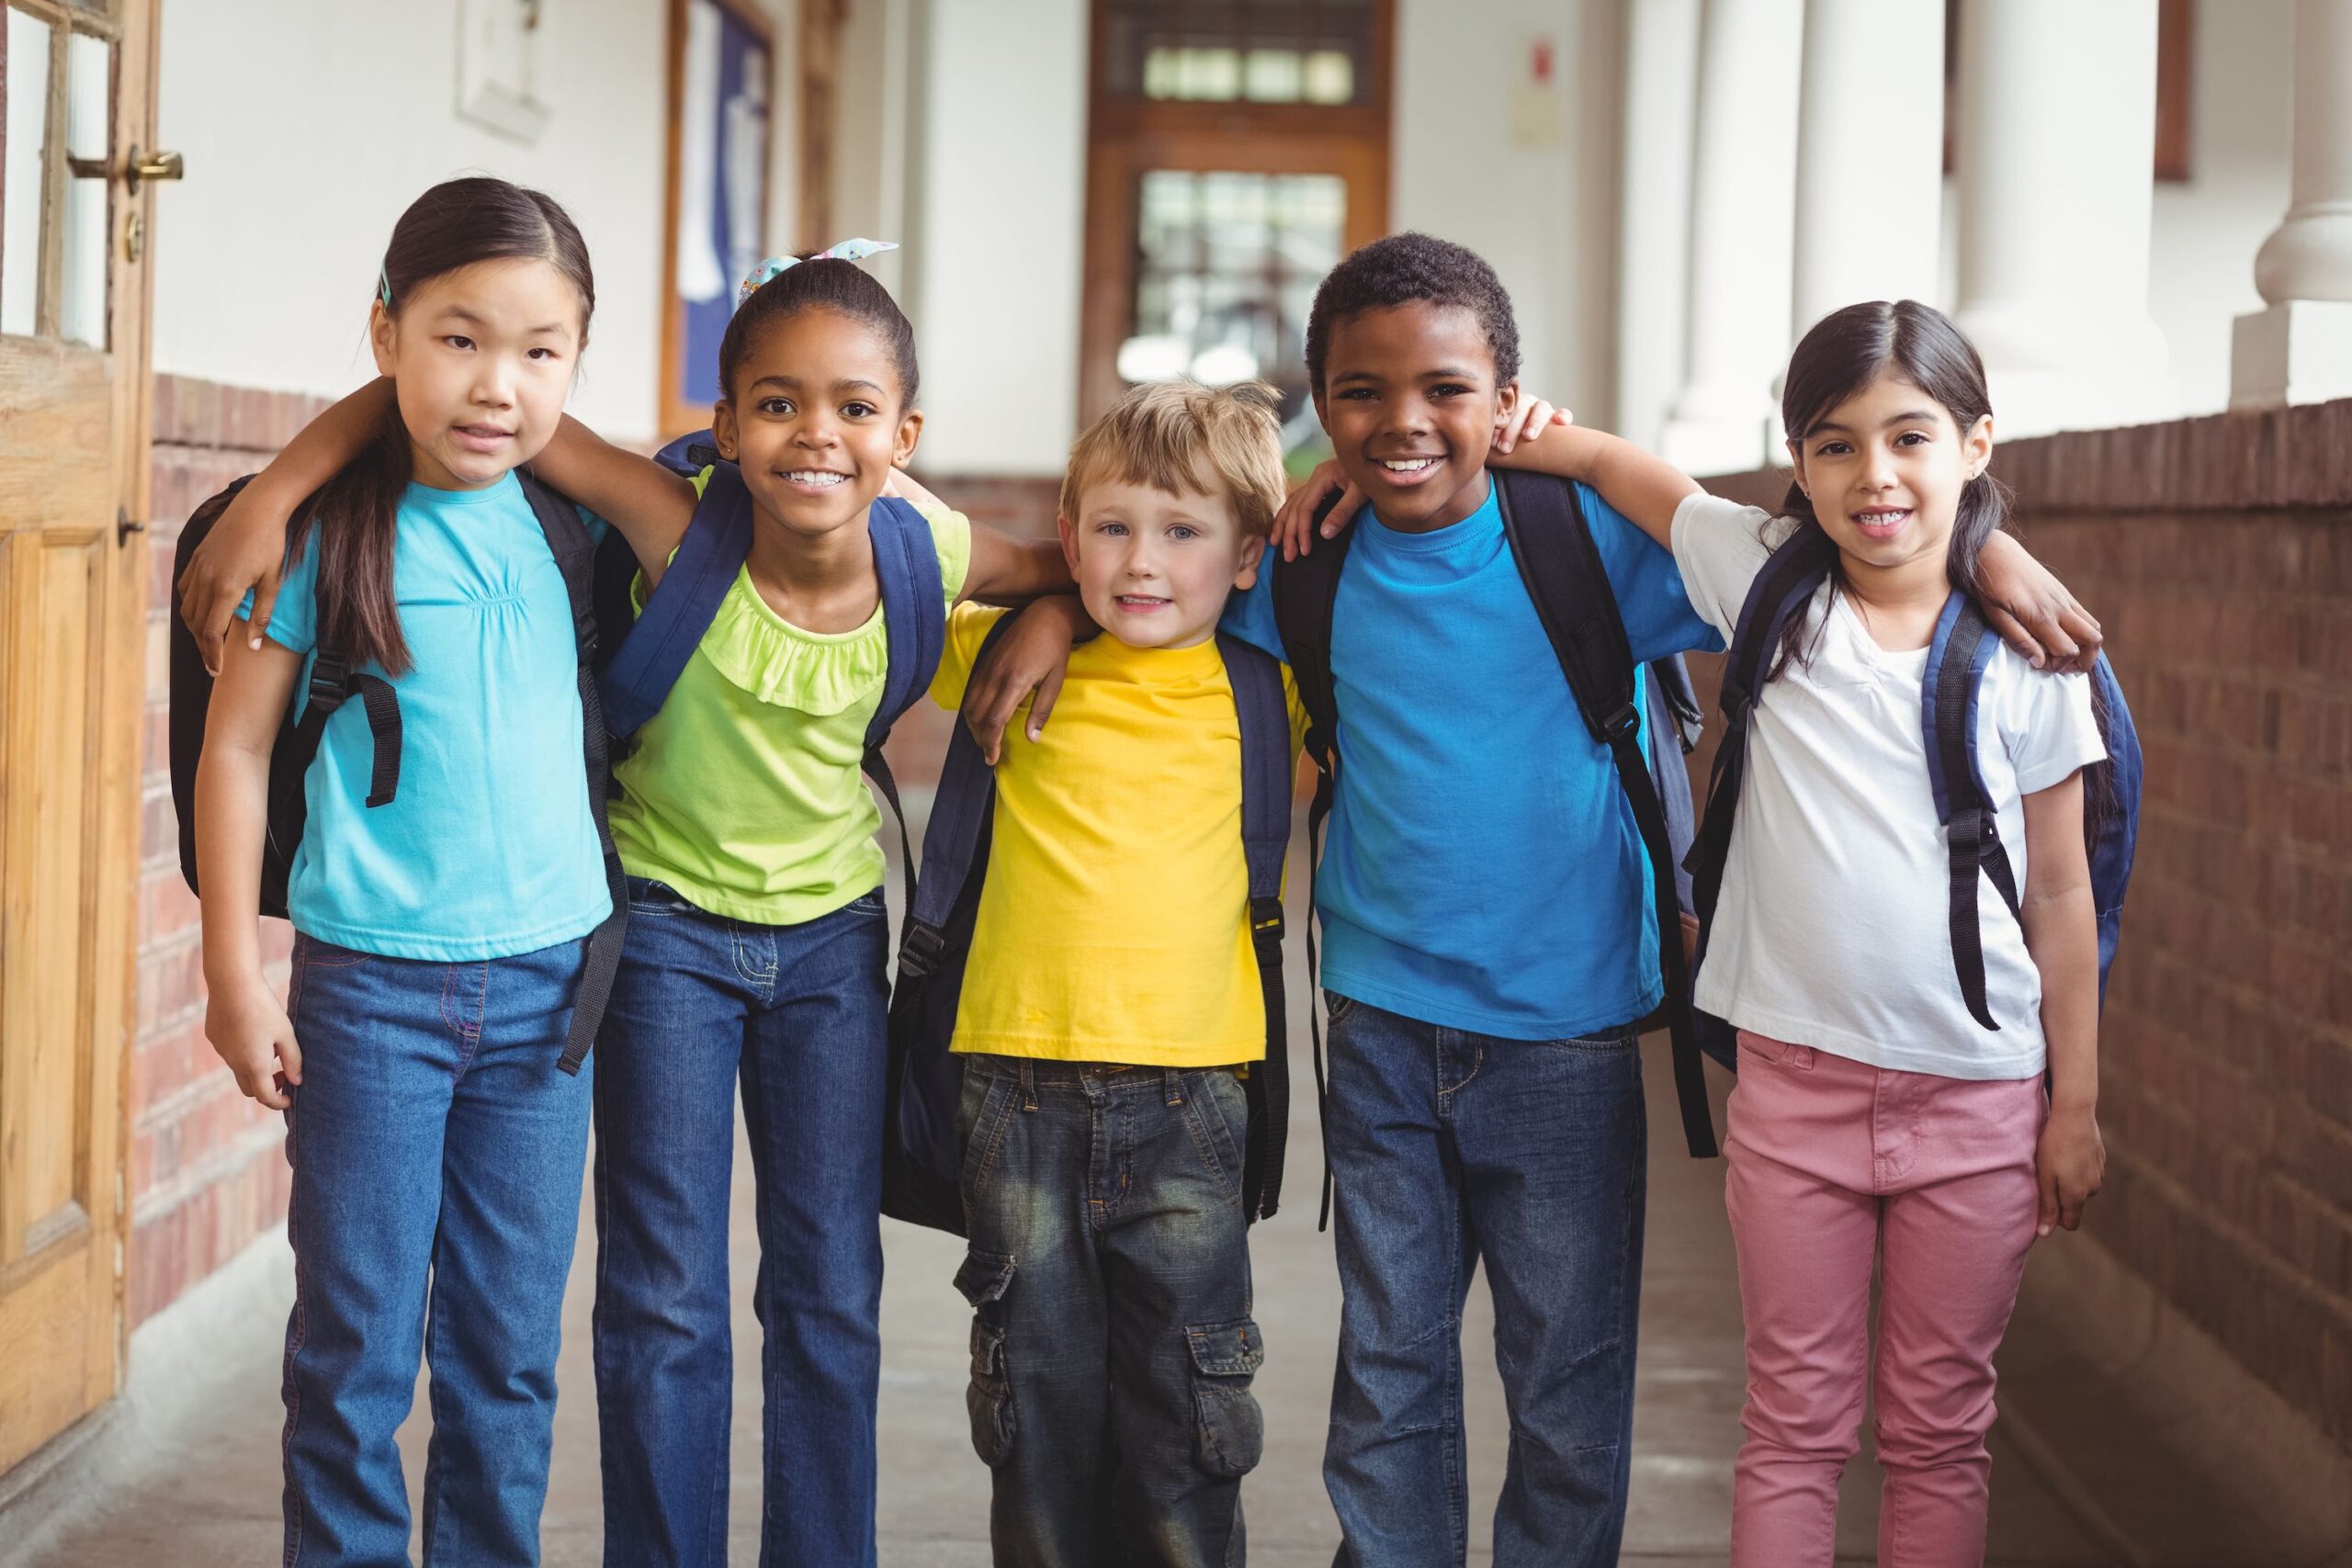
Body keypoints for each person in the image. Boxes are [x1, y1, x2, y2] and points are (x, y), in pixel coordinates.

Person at [977, 232, 2103, 1568]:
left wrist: (1988, 555)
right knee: (1388, 1375)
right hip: (1383, 1028)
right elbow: (1155, 580)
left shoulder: (1586, 547)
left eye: (1446, 389)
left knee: (1566, 1386)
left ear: (1508, 398)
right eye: (1360, 393)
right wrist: (1047, 609)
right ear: (1317, 408)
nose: (1404, 422)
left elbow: (1837, 555)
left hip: (1568, 1038)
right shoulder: (1301, 565)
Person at [181, 246, 1073, 1568]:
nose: (815, 436)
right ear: (722, 427)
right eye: (775, 404)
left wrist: (1047, 615)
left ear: (906, 435)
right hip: (658, 938)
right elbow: (462, 396)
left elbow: (1075, 563)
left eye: (854, 409)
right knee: (660, 1295)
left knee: (829, 1288)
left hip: (831, 947)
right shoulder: (669, 517)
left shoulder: (922, 546)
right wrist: (278, 492)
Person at [1498, 299, 2105, 1567]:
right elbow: (1627, 473)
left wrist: (2075, 1106)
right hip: (1794, 1086)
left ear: (1978, 444)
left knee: (1939, 1428)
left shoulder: (2029, 656)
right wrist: (1518, 427)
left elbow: (2060, 892)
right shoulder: (1767, 579)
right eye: (1834, 445)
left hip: (1981, 1100)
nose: (1874, 475)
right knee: (1794, 1420)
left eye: (1911, 438)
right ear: (1799, 463)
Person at [194, 175, 615, 1566]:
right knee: (356, 1354)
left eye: (539, 350)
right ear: (385, 334)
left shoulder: (579, 532)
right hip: (371, 1000)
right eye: (456, 338)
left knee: (507, 1361)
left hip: (550, 1003)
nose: (497, 384)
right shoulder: (322, 537)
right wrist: (233, 980)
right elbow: (238, 754)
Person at [932, 378, 1300, 1565]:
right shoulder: (1001, 661)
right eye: (1112, 527)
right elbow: (869, 526)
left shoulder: (1269, 693)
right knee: (1033, 1414)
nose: (1142, 562)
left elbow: (1369, 543)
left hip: (1193, 1104)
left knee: (1188, 1419)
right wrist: (1046, 593)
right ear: (1067, 529)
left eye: (1184, 531)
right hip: (1015, 1094)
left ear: (1247, 557)